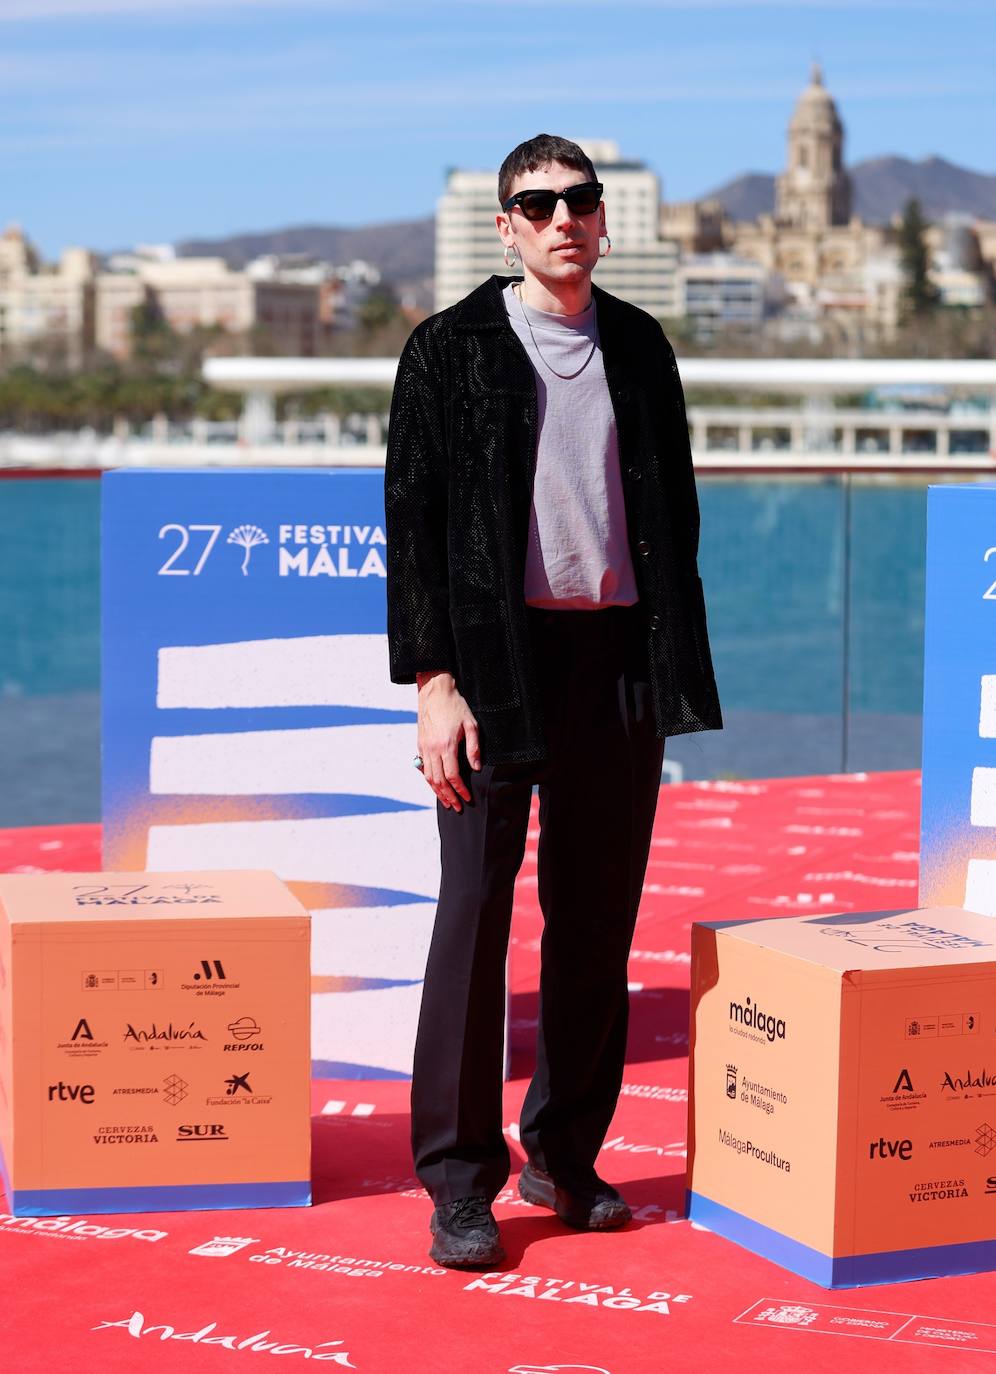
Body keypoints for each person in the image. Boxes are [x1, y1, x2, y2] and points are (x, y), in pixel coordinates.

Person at [384, 134, 721, 1269]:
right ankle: (459, 1182)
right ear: (506, 226)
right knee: (473, 923)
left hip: (614, 663)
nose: (562, 219)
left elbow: (673, 519)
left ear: (604, 217)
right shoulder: (449, 350)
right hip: (493, 668)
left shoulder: (639, 344)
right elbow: (415, 533)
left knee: (594, 927)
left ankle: (565, 1156)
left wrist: (670, 661)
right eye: (539, 205)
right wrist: (434, 682)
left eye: (580, 201)